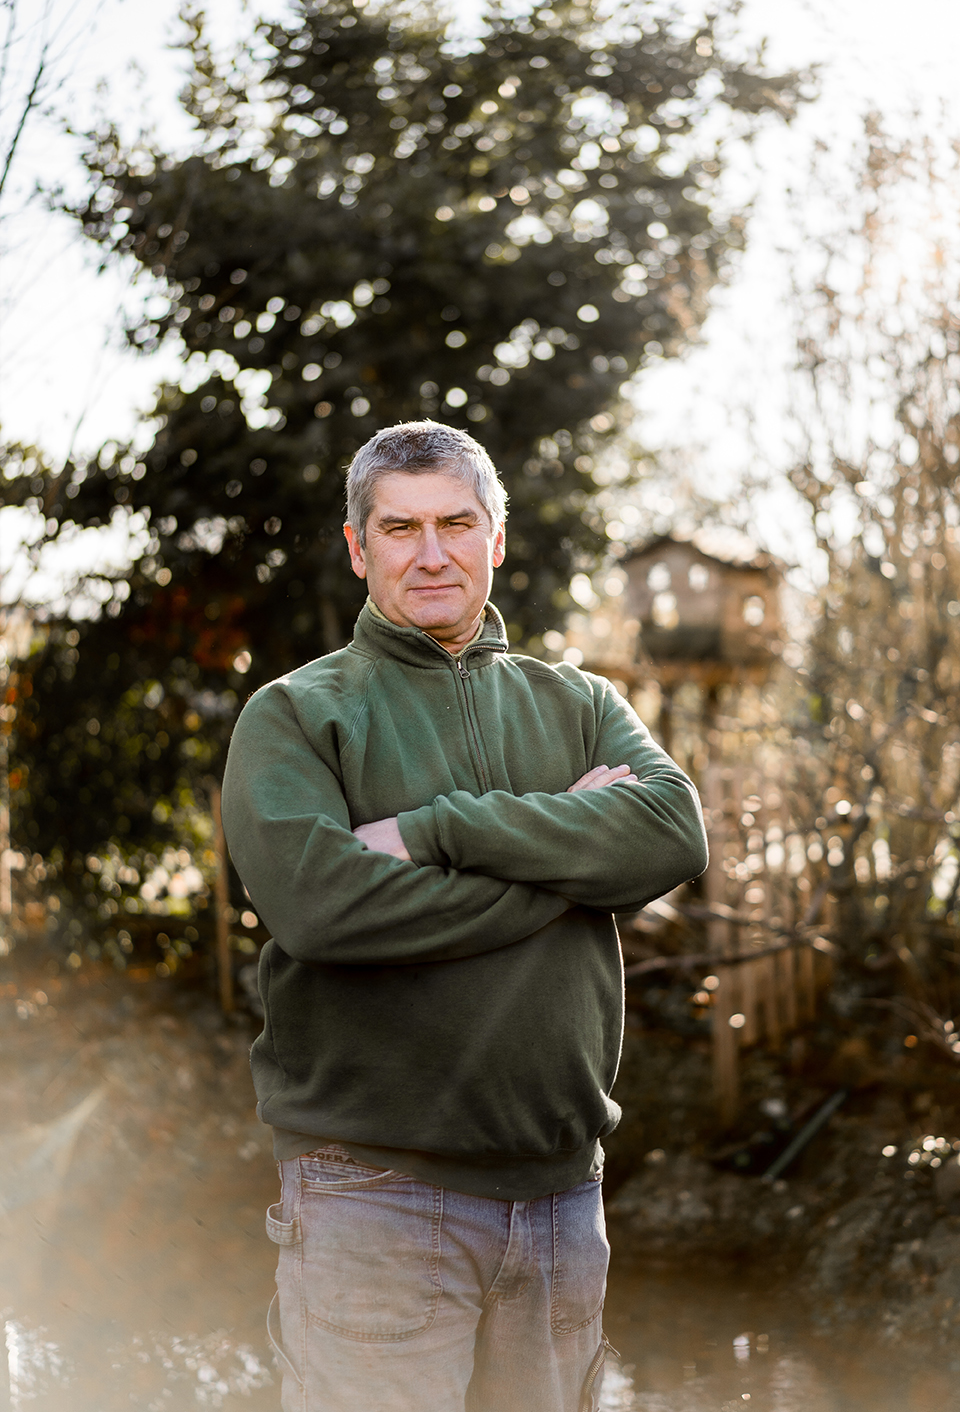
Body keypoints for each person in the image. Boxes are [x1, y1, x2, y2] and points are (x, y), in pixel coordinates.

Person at [221, 421, 707, 1412]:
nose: (431, 552)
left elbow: (670, 834)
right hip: (376, 1198)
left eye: (456, 523)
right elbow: (322, 910)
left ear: (496, 537)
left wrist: (437, 830)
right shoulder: (297, 714)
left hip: (563, 1198)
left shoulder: (578, 702)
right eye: (400, 528)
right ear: (360, 548)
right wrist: (572, 857)